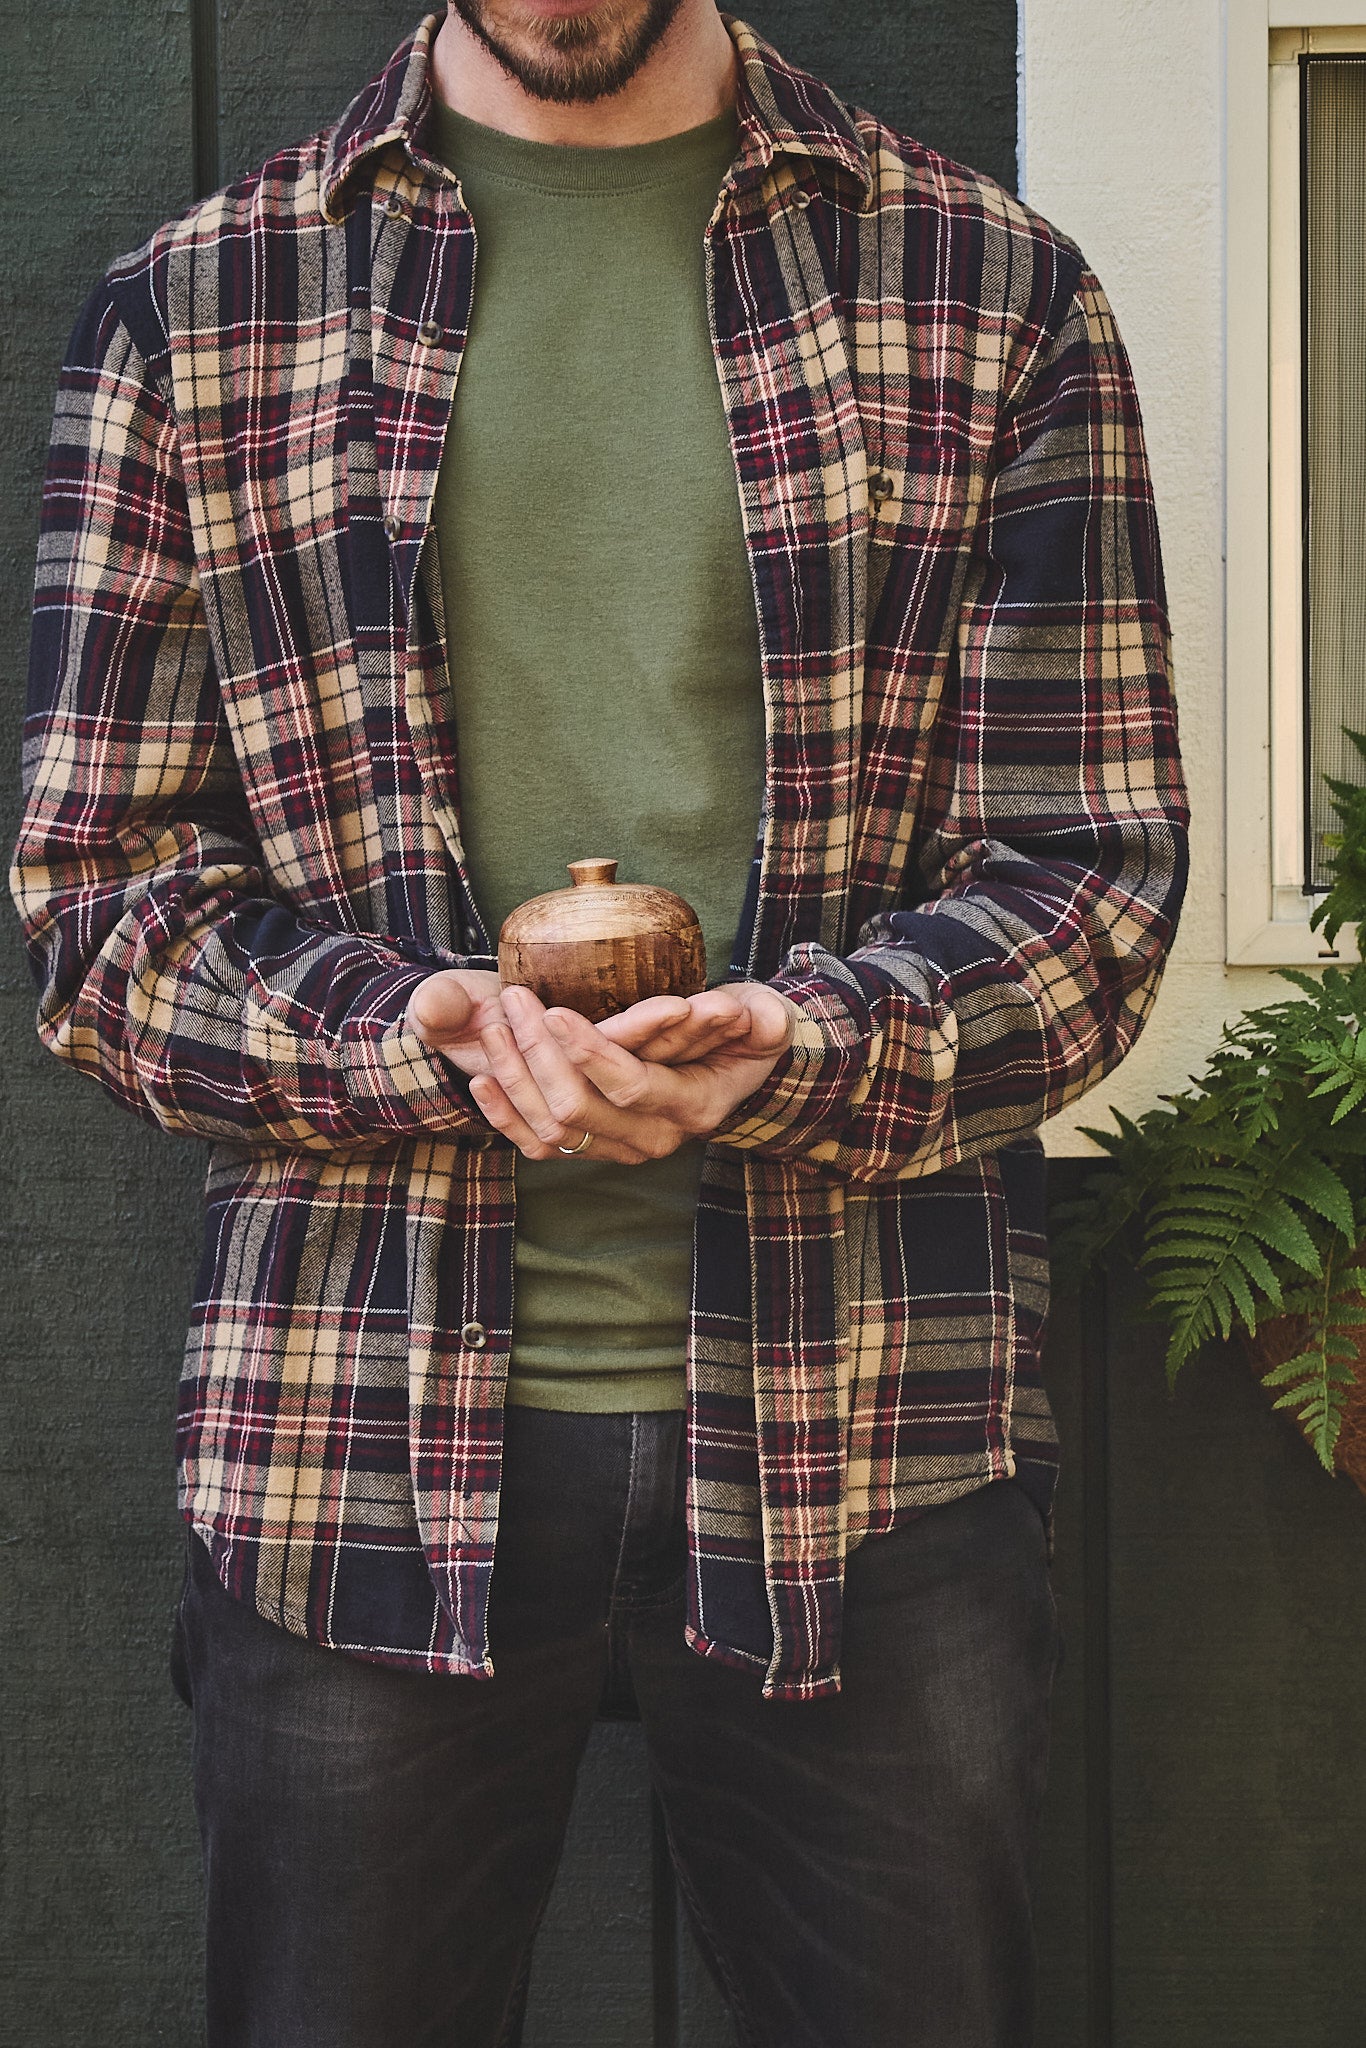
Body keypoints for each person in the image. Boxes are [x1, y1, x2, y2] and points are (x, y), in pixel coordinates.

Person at [11, 2, 1188, 2041]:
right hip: (353, 1444)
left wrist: (805, 1044)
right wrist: (416, 1033)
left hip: (868, 1442)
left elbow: (1084, 880)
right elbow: (95, 900)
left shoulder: (986, 289)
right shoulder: (203, 309)